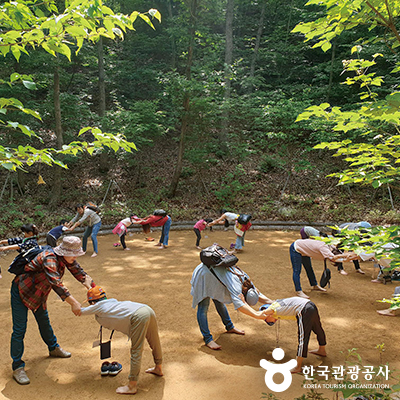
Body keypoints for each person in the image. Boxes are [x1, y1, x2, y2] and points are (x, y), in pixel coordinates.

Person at [9, 236, 94, 385]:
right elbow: (56, 283)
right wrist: (74, 303)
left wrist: (94, 289)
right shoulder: (49, 258)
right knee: (20, 328)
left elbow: (80, 272)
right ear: (64, 251)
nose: (76, 257)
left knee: (44, 321)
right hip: (22, 290)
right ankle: (17, 367)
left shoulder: (66, 258)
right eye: (74, 253)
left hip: (39, 292)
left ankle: (53, 348)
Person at [80, 286, 163, 395]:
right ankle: (158, 368)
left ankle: (132, 385)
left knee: (136, 350)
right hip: (147, 309)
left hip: (138, 316)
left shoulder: (98, 306)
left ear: (92, 302)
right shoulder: (112, 302)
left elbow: (78, 311)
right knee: (154, 340)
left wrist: (67, 297)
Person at [190, 262, 272, 350]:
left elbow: (259, 296)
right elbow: (240, 306)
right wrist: (257, 315)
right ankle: (208, 339)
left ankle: (229, 327)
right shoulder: (236, 287)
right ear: (243, 296)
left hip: (215, 276)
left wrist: (275, 303)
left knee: (219, 302)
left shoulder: (248, 283)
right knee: (203, 307)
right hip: (204, 275)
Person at [260, 296, 327, 374]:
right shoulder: (276, 304)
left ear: (268, 315)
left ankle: (297, 367)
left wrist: (243, 304)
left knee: (303, 337)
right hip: (310, 305)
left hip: (304, 310)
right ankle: (322, 350)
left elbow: (260, 313)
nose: (269, 322)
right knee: (317, 328)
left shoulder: (270, 310)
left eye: (266, 320)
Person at [289, 238, 356, 299]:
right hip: (296, 249)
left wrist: (348, 258)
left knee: (309, 268)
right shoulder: (324, 249)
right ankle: (298, 291)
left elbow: (335, 257)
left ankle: (314, 285)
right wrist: (346, 258)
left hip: (304, 249)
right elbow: (334, 258)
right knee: (297, 270)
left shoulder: (331, 247)